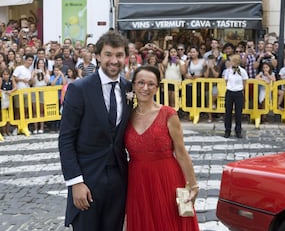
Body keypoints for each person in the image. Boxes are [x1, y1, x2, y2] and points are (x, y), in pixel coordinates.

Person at [59, 31, 132, 231]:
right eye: (108, 54)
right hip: (87, 179)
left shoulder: (128, 88)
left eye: (119, 55)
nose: (114, 60)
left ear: (125, 57)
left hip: (118, 180)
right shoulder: (79, 89)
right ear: (98, 56)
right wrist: (75, 182)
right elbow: (66, 139)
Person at [125, 65, 199, 230]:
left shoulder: (168, 114)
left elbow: (181, 153)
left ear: (157, 88)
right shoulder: (126, 116)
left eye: (151, 84)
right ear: (134, 85)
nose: (145, 88)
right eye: (141, 83)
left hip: (167, 179)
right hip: (138, 181)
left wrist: (193, 185)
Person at [223, 55, 249, 138]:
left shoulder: (243, 71)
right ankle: (227, 130)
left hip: (238, 93)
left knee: (238, 113)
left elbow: (244, 81)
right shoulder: (228, 71)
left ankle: (238, 130)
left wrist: (240, 89)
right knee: (228, 112)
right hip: (230, 92)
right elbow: (226, 81)